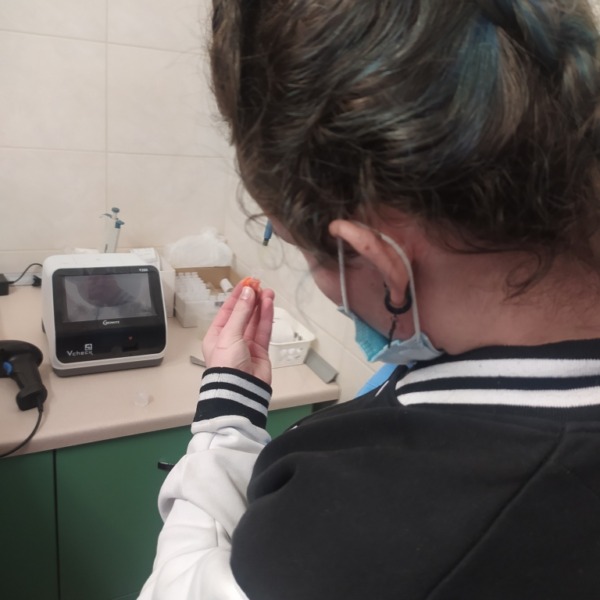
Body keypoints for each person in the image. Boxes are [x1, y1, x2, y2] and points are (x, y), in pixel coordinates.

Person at [138, 1, 600, 598]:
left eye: (295, 244)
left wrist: (228, 414)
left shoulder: (354, 539)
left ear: (383, 265)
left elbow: (181, 586)